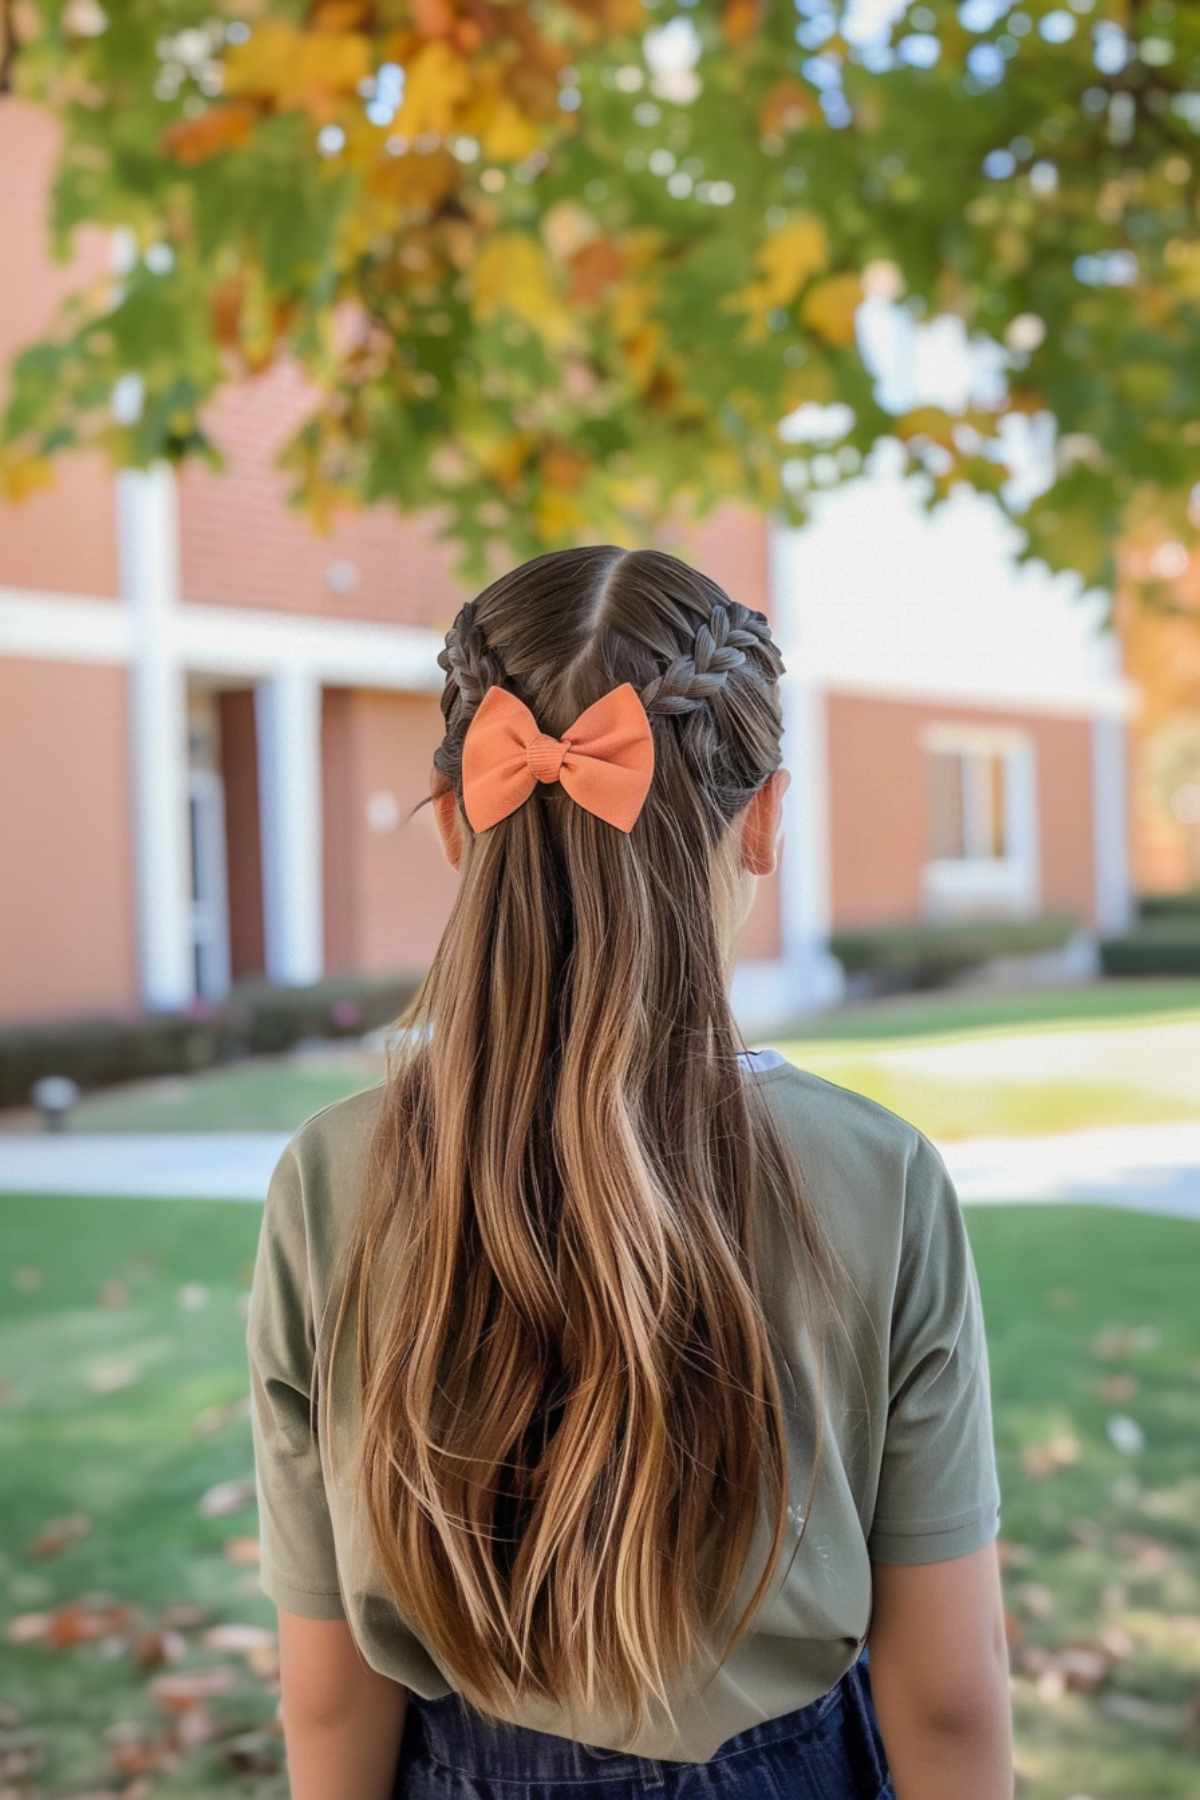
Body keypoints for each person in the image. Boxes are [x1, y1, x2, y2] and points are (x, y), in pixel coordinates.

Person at [246, 545, 1014, 1800]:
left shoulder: (330, 1177)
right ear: (762, 818)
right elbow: (950, 1694)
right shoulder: (882, 1176)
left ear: (454, 824)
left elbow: (330, 1699)